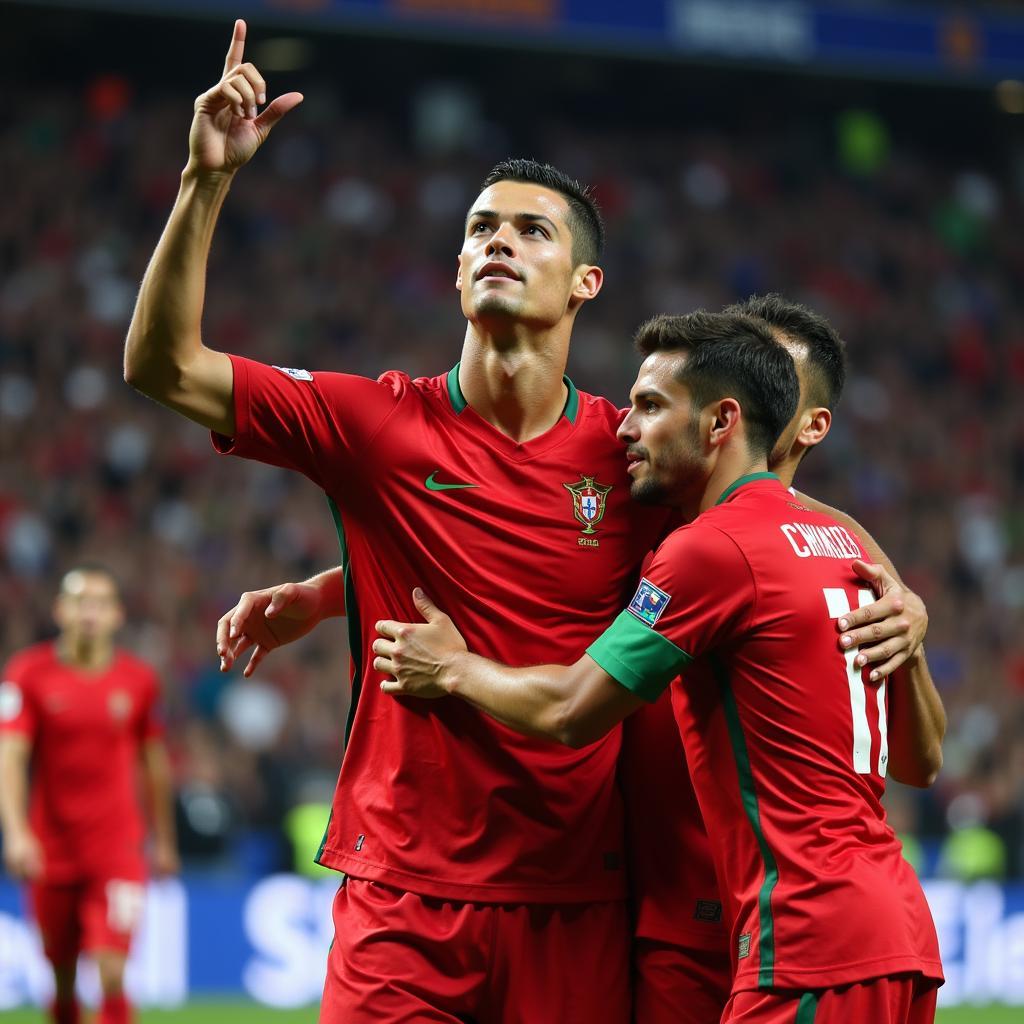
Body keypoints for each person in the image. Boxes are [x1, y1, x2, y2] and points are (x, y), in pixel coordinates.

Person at [125, 19, 928, 1021]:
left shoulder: (626, 451)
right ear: (458, 276)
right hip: (404, 897)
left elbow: (771, 508)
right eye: (477, 229)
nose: (496, 240)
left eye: (529, 229)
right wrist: (206, 182)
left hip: (574, 898)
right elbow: (163, 367)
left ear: (586, 282)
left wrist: (899, 594)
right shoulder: (374, 422)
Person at [220, 295, 942, 1023]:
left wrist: (453, 670)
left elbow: (572, 708)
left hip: (788, 929)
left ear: (751, 415)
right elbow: (523, 560)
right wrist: (334, 591)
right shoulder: (832, 557)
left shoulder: (714, 548)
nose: (630, 426)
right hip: (799, 920)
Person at [0, 566, 178, 1024]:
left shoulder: (138, 681)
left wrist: (164, 840)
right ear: (61, 610)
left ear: (117, 615)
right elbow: (11, 757)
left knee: (112, 972)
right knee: (60, 979)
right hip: (51, 849)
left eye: (100, 603)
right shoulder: (26, 675)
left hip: (117, 849)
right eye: (80, 602)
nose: (89, 613)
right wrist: (17, 832)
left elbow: (154, 765)